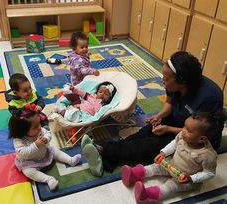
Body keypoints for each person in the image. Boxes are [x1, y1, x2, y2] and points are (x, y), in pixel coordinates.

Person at [80, 51, 224, 177]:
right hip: (181, 122)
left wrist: (168, 129)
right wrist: (160, 116)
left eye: (166, 78)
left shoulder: (209, 97)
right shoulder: (175, 84)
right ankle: (106, 154)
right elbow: (170, 101)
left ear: (182, 82)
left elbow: (203, 133)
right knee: (145, 131)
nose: (162, 80)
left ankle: (103, 150)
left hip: (196, 138)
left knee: (150, 146)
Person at [121, 111, 226, 203]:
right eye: (184, 126)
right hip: (172, 163)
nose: (183, 131)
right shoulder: (182, 135)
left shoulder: (207, 155)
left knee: (171, 186)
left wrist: (191, 178)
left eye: (188, 131)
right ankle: (135, 174)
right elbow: (174, 144)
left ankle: (148, 195)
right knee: (156, 166)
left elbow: (209, 173)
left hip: (185, 177)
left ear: (202, 139)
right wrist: (163, 153)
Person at [8, 109, 82, 191]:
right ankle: (49, 179)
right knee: (28, 172)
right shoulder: (19, 140)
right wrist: (35, 145)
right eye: (35, 126)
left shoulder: (39, 130)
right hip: (30, 161)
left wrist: (46, 138)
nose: (40, 127)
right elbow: (23, 153)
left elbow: (48, 133)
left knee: (55, 150)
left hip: (45, 153)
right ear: (23, 131)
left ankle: (70, 160)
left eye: (39, 123)